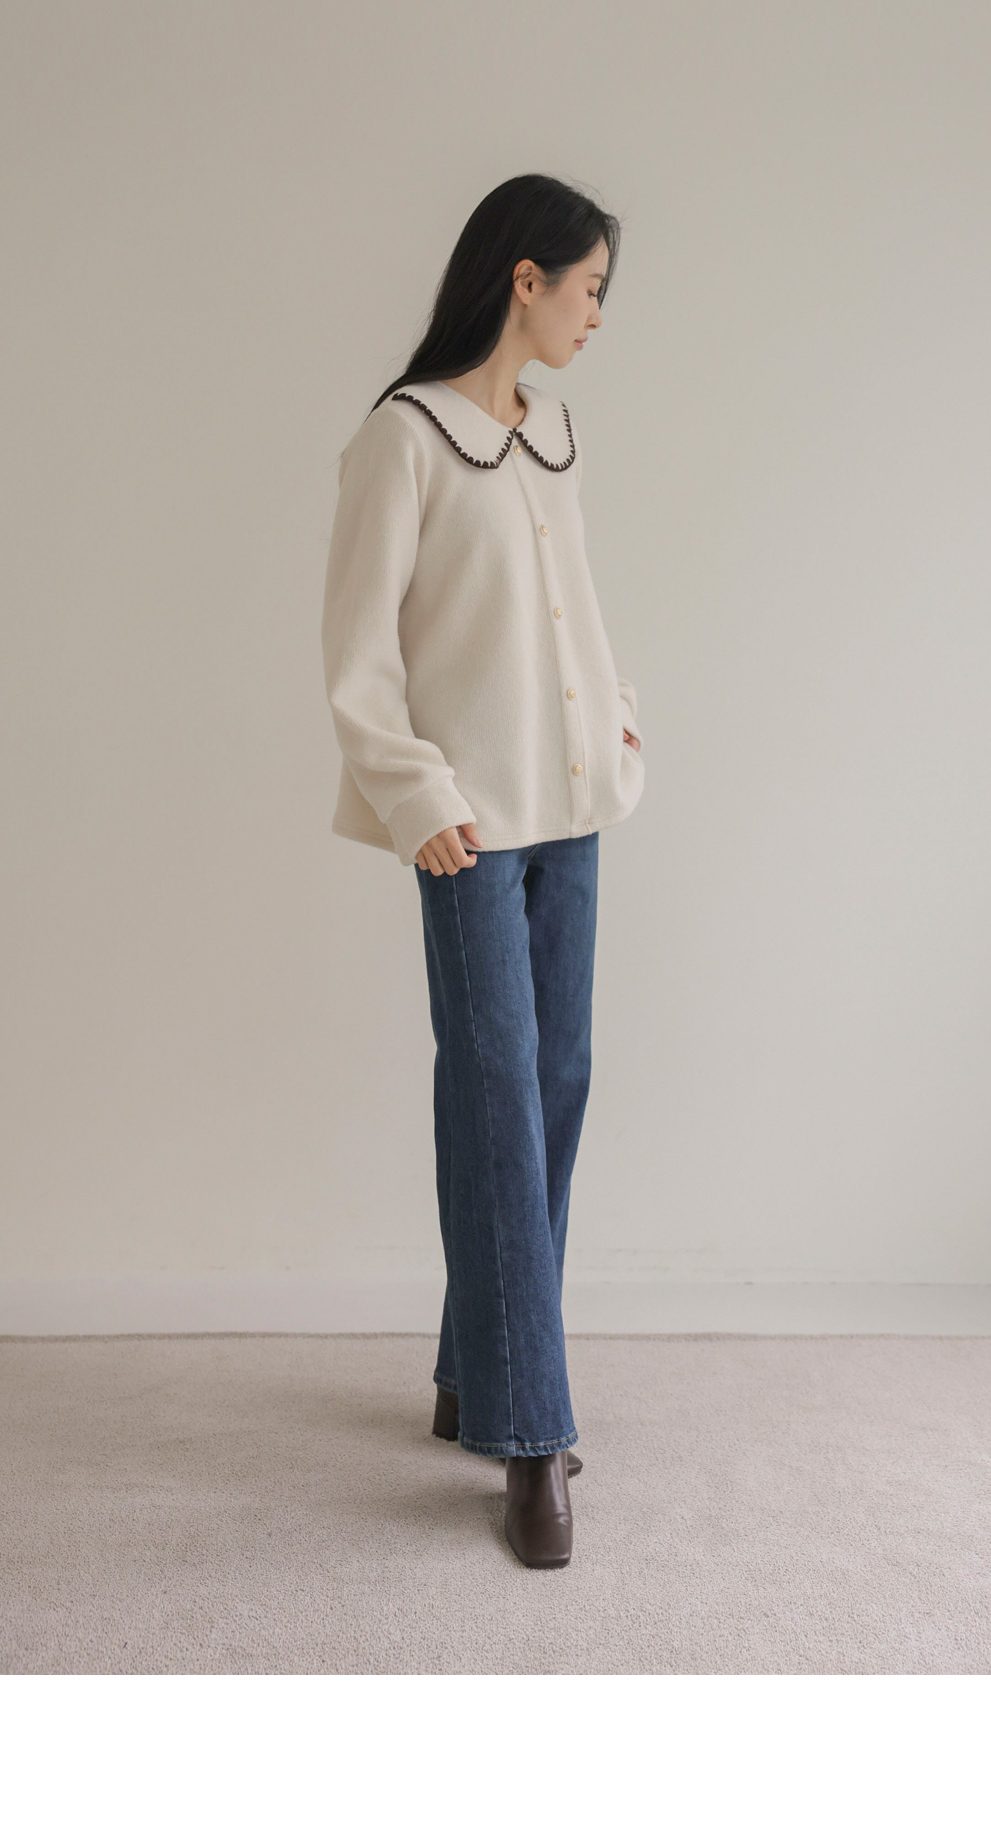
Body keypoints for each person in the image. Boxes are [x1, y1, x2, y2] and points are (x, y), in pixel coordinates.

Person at [320, 172, 645, 1567]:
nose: (596, 316)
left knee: (553, 1079)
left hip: (570, 809)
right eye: (590, 289)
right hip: (465, 825)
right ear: (526, 279)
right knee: (500, 1090)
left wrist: (617, 716)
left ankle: (475, 1362)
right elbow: (357, 656)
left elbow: (570, 611)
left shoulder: (554, 433)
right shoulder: (401, 440)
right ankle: (528, 1433)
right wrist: (416, 796)